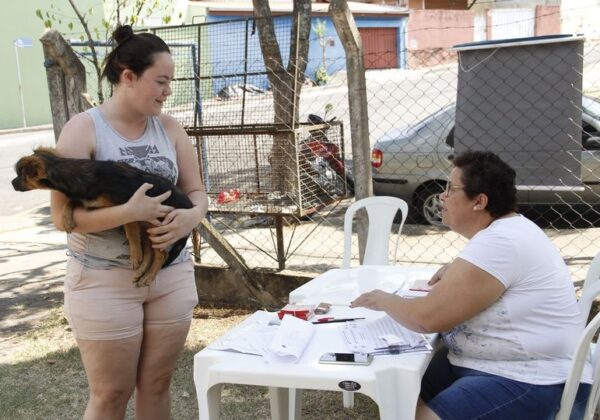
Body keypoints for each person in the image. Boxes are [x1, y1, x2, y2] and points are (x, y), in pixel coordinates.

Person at [350, 151, 592, 420]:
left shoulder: (500, 242)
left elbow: (426, 319)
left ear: (479, 201)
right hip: (494, 364)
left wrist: (382, 299)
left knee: (405, 402)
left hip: (530, 378)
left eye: (450, 189)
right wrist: (455, 270)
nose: (442, 197)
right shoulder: (506, 232)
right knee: (396, 389)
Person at [50, 25, 208, 420]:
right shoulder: (83, 129)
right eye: (161, 81)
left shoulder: (170, 129)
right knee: (110, 394)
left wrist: (191, 216)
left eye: (170, 82)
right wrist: (129, 213)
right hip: (104, 282)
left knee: (156, 384)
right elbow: (62, 218)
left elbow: (198, 193)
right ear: (129, 76)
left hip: (170, 276)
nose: (167, 91)